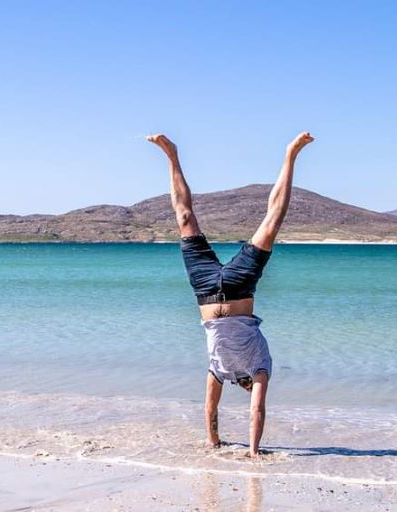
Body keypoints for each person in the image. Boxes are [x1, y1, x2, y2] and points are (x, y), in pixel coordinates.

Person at [146, 131, 314, 458]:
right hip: (239, 284)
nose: (250, 388)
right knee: (272, 222)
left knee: (184, 218)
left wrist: (213, 442)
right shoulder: (262, 366)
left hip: (206, 288)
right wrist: (253, 452)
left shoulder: (218, 371)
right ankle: (290, 155)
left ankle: (172, 156)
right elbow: (258, 411)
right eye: (250, 387)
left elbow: (209, 409)